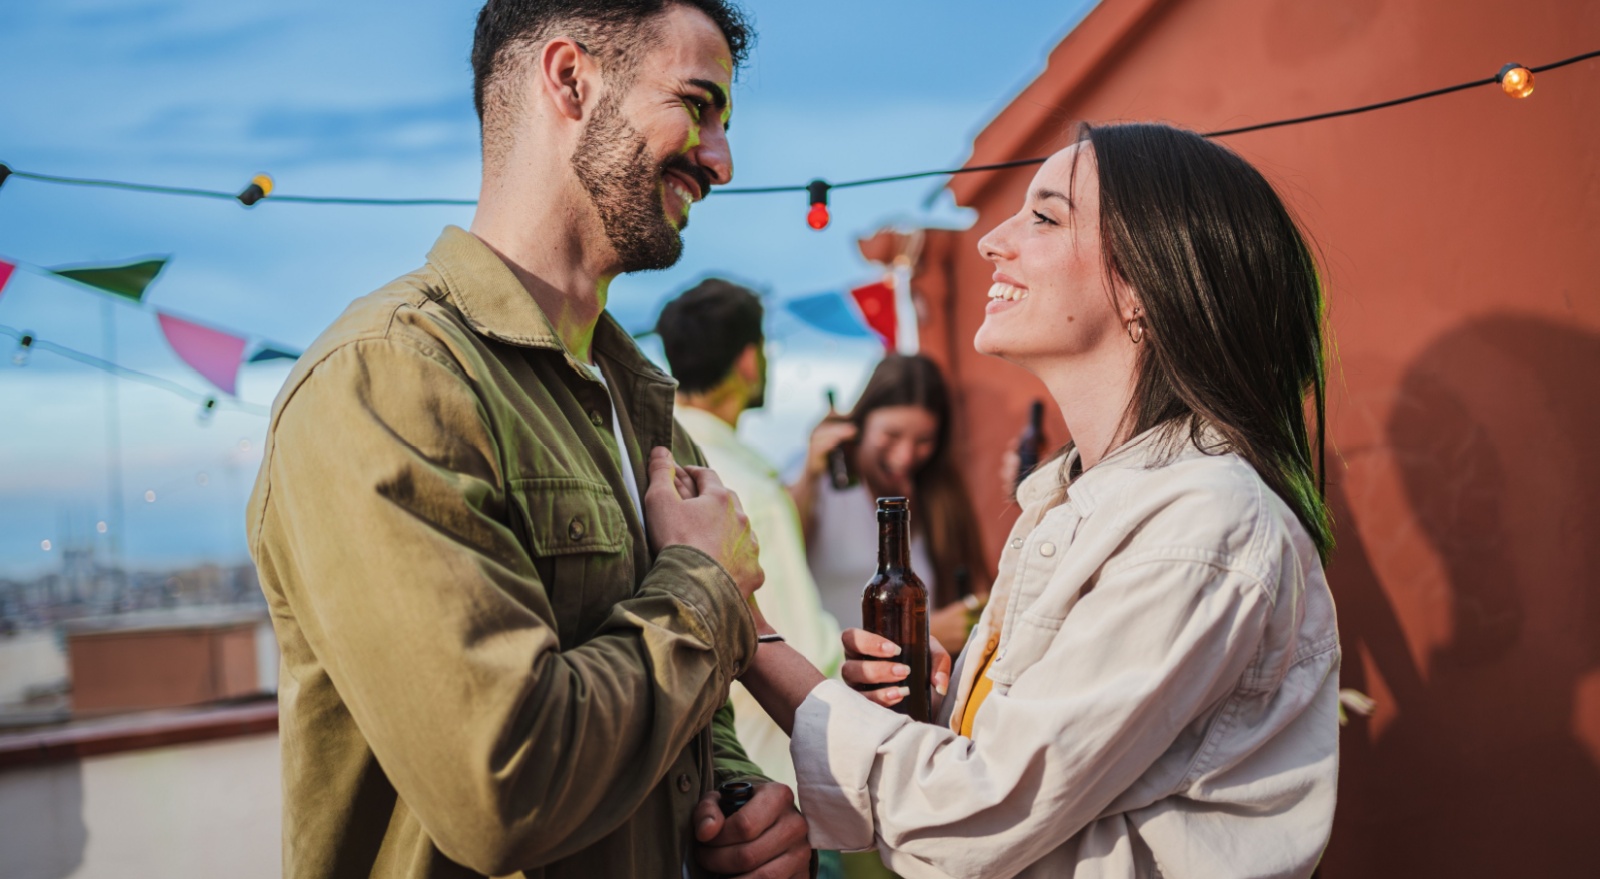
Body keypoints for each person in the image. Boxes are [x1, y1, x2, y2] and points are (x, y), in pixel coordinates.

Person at [245, 3, 813, 878]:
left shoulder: (643, 407)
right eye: (697, 105)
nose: (721, 161)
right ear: (571, 80)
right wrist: (705, 587)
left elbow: (689, 721)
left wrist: (737, 807)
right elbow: (500, 786)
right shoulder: (387, 379)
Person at [735, 122, 1341, 878]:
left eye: (1045, 216)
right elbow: (1011, 788)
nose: (992, 239)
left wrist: (747, 632)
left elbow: (973, 814)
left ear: (1144, 289)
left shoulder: (1202, 522)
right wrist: (940, 706)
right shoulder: (1069, 498)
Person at [656, 277, 847, 877]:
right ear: (747, 359)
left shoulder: (659, 468)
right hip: (773, 800)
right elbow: (800, 649)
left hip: (689, 787)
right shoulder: (748, 491)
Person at [789, 354, 990, 653]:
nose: (906, 456)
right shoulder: (822, 485)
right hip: (833, 679)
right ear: (859, 423)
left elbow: (978, 587)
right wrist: (808, 475)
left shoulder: (939, 493)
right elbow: (776, 556)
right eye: (891, 435)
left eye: (924, 440)